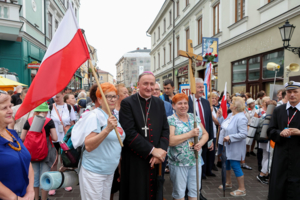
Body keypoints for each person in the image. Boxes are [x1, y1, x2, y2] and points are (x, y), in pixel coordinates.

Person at [119, 71, 169, 200]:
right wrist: (153, 151)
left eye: (152, 84)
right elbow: (129, 133)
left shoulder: (159, 103)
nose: (149, 87)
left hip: (156, 159)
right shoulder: (127, 103)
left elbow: (165, 130)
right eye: (145, 83)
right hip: (135, 159)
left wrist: (161, 152)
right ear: (138, 85)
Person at [73, 83, 125, 200]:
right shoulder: (94, 116)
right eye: (108, 96)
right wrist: (107, 129)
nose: (112, 99)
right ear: (100, 100)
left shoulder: (112, 116)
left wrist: (119, 167)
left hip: (109, 171)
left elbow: (115, 144)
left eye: (114, 96)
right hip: (94, 172)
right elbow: (89, 145)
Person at [168, 93, 208, 200]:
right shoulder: (171, 120)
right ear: (173, 106)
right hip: (179, 162)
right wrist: (189, 134)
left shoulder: (193, 117)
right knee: (179, 193)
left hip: (195, 161)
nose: (183, 106)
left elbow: (205, 134)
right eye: (179, 103)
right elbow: (170, 141)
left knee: (195, 192)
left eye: (185, 103)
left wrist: (200, 143)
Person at [267, 81, 300, 200]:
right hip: (281, 156)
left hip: (298, 156)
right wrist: (279, 133)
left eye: (295, 92)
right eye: (289, 92)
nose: (292, 94)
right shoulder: (278, 110)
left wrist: (299, 132)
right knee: (279, 186)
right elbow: (269, 131)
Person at [0, 90, 35, 200]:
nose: (11, 111)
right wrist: (15, 198)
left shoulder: (13, 134)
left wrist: (30, 191)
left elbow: (27, 162)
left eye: (10, 106)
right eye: (4, 108)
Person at [21, 102, 58, 200]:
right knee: (45, 175)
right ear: (46, 111)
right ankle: (44, 198)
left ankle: (36, 198)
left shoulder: (29, 121)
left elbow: (22, 137)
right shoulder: (49, 121)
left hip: (32, 152)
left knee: (35, 176)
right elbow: (55, 138)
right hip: (46, 151)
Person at [188, 78, 214, 200]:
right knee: (190, 168)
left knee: (200, 167)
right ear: (192, 88)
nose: (201, 89)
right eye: (198, 87)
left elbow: (208, 122)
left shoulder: (205, 102)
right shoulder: (186, 102)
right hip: (190, 141)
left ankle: (198, 192)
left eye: (202, 87)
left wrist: (211, 140)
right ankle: (188, 193)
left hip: (203, 139)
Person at [47, 91, 76, 195]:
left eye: (58, 97)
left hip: (65, 138)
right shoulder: (50, 107)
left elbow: (73, 123)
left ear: (63, 95)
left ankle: (66, 182)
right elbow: (47, 122)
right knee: (54, 161)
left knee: (65, 160)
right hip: (54, 138)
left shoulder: (69, 107)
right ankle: (54, 184)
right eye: (54, 97)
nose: (56, 99)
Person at [218, 97, 248, 197]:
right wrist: (220, 116)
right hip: (227, 146)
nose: (229, 103)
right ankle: (228, 182)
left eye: (231, 103)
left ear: (235, 106)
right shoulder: (231, 114)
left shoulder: (241, 117)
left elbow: (243, 134)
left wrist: (230, 137)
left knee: (235, 166)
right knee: (227, 163)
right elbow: (225, 125)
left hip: (235, 147)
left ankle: (242, 189)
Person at [110, 83, 129, 200]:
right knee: (111, 185)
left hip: (126, 150)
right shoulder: (111, 112)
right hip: (113, 152)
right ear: (117, 96)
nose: (128, 95)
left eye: (128, 93)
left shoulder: (128, 110)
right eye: (125, 93)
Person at [256, 99, 276, 185]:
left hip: (262, 138)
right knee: (269, 158)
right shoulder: (270, 115)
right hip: (268, 139)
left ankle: (264, 173)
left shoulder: (264, 114)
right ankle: (262, 174)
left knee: (265, 156)